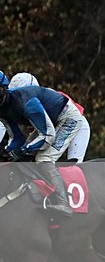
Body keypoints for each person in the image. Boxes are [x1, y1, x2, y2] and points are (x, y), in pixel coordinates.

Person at [0, 70, 87, 216]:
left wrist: (23, 150)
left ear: (4, 88)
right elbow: (17, 139)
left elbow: (48, 136)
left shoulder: (25, 102)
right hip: (49, 123)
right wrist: (7, 151)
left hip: (67, 119)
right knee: (22, 155)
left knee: (44, 158)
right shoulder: (2, 109)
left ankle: (63, 203)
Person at [7, 72, 91, 162]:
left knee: (69, 161)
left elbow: (76, 115)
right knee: (28, 156)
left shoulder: (50, 95)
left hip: (77, 126)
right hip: (55, 127)